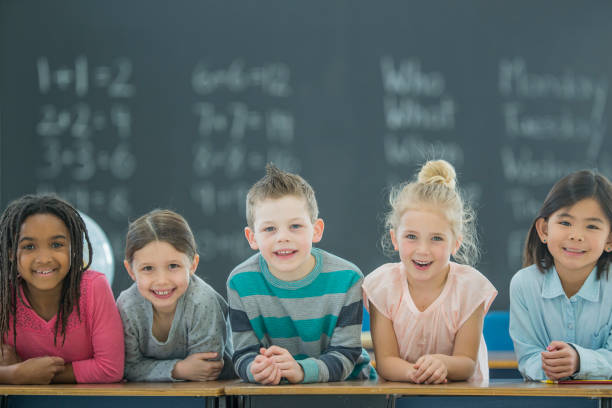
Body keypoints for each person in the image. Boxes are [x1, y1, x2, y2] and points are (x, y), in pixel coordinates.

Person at [227, 164, 375, 384]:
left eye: (295, 226)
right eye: (269, 229)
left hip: (347, 389)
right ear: (252, 237)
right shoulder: (240, 282)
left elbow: (346, 355)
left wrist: (301, 370)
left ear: (316, 230)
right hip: (275, 391)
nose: (283, 237)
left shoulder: (347, 278)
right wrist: (254, 369)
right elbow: (242, 354)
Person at [363, 160, 497, 384]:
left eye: (437, 238)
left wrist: (443, 364)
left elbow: (466, 363)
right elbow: (386, 362)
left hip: (462, 399)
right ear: (395, 238)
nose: (423, 250)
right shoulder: (383, 287)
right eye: (411, 237)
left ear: (456, 243)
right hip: (403, 396)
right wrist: (415, 373)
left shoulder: (469, 288)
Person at [0, 194, 124, 384]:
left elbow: (111, 368)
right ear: (11, 253)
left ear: (73, 248)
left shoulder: (94, 288)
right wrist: (15, 374)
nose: (44, 259)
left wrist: (25, 371)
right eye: (29, 246)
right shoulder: (4, 294)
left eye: (56, 244)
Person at [510, 170, 612, 381]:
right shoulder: (524, 284)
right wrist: (551, 367)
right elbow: (528, 358)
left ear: (609, 240)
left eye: (592, 226)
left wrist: (579, 361)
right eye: (565, 223)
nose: (576, 235)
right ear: (544, 230)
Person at [117, 209, 234, 382]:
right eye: (148, 268)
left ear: (193, 265)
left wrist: (152, 369)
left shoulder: (202, 301)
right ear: (131, 271)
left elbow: (207, 369)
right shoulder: (128, 305)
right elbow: (126, 367)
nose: (162, 281)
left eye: (173, 266)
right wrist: (178, 369)